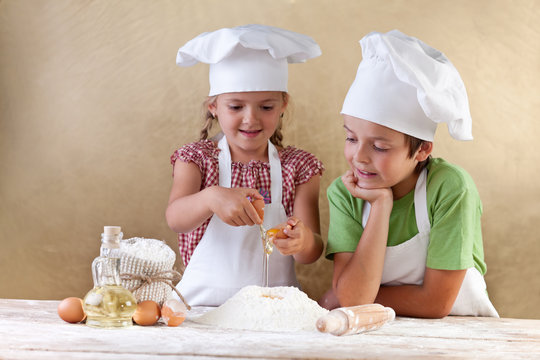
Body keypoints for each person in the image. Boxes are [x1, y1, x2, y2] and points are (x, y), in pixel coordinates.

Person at [319, 30, 498, 318]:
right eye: (351, 138)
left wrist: (350, 296)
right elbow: (352, 298)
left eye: (379, 146)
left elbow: (436, 304)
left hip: (458, 335)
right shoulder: (345, 193)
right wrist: (380, 205)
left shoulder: (450, 189)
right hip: (378, 333)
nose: (359, 158)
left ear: (422, 150)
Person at [166, 24, 324, 306]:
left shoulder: (298, 168)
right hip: (200, 310)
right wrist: (211, 196)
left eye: (266, 107)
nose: (251, 119)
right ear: (214, 106)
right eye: (236, 107)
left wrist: (303, 241)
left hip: (273, 312)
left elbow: (310, 253)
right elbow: (176, 219)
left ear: (283, 104)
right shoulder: (198, 160)